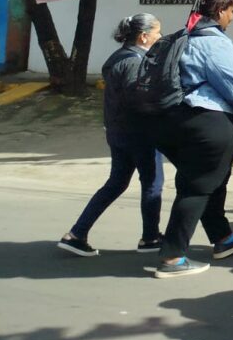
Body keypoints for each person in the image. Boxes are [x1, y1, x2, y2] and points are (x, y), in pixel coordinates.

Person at [149, 0, 233, 278]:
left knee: (212, 182)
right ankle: (172, 257)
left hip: (176, 120)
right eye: (231, 11)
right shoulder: (213, 43)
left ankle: (223, 239)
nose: (232, 17)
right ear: (220, 12)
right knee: (196, 188)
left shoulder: (185, 36)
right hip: (207, 121)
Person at [58, 14, 165, 256]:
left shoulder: (118, 57)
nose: (159, 37)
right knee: (152, 184)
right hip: (138, 134)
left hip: (117, 132)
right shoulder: (134, 62)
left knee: (116, 182)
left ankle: (77, 233)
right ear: (144, 36)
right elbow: (136, 97)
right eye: (157, 33)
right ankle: (150, 237)